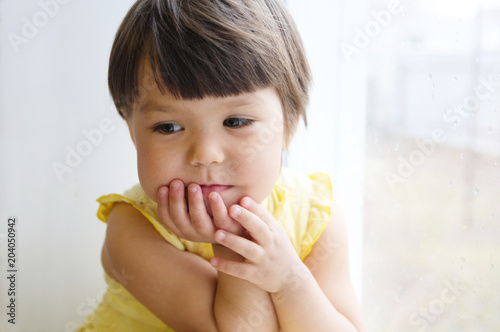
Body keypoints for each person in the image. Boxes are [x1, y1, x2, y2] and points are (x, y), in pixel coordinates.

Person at [78, 0, 365, 331]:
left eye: (236, 121)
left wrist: (290, 281)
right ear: (132, 132)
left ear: (288, 124)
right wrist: (229, 240)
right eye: (168, 127)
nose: (206, 154)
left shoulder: (315, 217)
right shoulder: (132, 227)